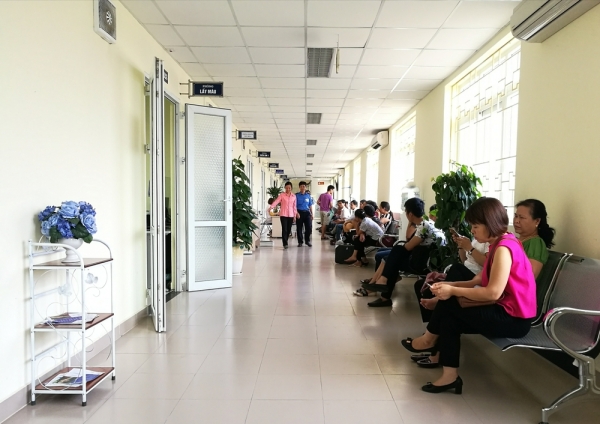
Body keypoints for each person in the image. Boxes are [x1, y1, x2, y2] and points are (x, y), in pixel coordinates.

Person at [400, 197, 536, 394]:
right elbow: (477, 280)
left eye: (475, 226)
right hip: (503, 309)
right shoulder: (499, 244)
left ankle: (428, 339)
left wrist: (451, 291)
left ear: (490, 223)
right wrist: (448, 286)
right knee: (450, 318)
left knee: (450, 304)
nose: (472, 231)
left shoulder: (504, 248)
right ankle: (450, 376)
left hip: (513, 319)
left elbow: (493, 292)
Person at [361, 197, 446, 307]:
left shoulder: (424, 226)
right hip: (429, 259)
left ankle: (382, 288)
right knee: (393, 257)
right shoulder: (429, 224)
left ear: (410, 214)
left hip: (424, 263)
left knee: (395, 256)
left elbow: (408, 246)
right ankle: (381, 284)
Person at [513, 199, 556, 278]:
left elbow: (528, 277)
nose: (516, 221)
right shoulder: (517, 240)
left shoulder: (535, 244)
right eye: (516, 216)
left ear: (537, 221)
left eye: (522, 217)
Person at [269, 181, 297, 250]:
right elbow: (276, 201)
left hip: (291, 215)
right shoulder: (282, 195)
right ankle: (285, 243)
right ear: (285, 188)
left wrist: (295, 215)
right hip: (283, 214)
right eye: (286, 188)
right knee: (284, 229)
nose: (288, 189)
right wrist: (271, 207)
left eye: (289, 188)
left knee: (288, 229)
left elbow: (294, 207)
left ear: (291, 188)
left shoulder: (294, 196)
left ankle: (285, 240)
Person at [295, 181, 314, 247]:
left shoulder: (308, 196)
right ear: (299, 187)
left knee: (309, 227)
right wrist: (296, 213)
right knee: (299, 228)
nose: (302, 188)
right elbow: (294, 206)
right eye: (301, 186)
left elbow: (310, 205)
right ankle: (300, 242)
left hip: (307, 213)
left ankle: (307, 241)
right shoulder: (296, 195)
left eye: (304, 186)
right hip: (299, 213)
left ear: (305, 187)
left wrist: (312, 214)